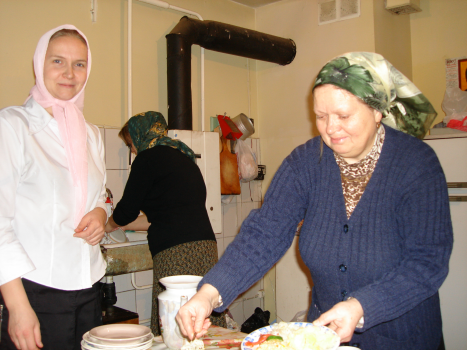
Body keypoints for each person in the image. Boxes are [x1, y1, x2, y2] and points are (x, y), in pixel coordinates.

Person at [176, 52, 453, 350]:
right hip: (325, 339)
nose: (330, 128)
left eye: (343, 116)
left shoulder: (416, 165)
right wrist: (208, 294)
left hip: (403, 339)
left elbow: (427, 262)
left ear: (377, 111)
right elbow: (263, 235)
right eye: (321, 117)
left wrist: (361, 307)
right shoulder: (305, 162)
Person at [0, 25, 108, 350]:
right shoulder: (13, 126)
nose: (70, 73)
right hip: (35, 292)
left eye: (79, 63)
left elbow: (102, 194)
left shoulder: (90, 134)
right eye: (57, 61)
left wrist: (102, 213)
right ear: (39, 64)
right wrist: (18, 307)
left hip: (89, 286)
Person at [105, 111, 226, 336]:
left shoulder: (147, 159)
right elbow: (160, 217)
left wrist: (107, 225)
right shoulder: (183, 157)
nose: (132, 150)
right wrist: (126, 226)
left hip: (177, 254)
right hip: (206, 249)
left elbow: (125, 211)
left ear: (142, 136)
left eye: (131, 144)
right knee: (204, 317)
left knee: (176, 322)